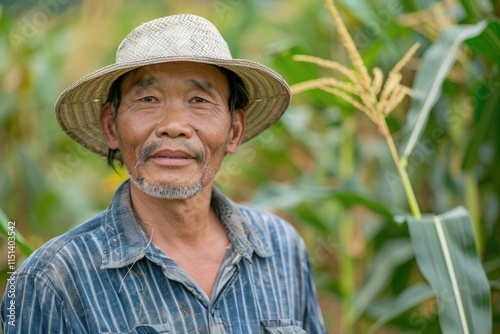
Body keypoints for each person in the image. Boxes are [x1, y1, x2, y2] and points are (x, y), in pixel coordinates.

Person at [1, 14, 326, 333]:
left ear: (235, 132)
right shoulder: (55, 280)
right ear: (111, 128)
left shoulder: (282, 250)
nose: (173, 126)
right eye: (148, 99)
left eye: (199, 100)